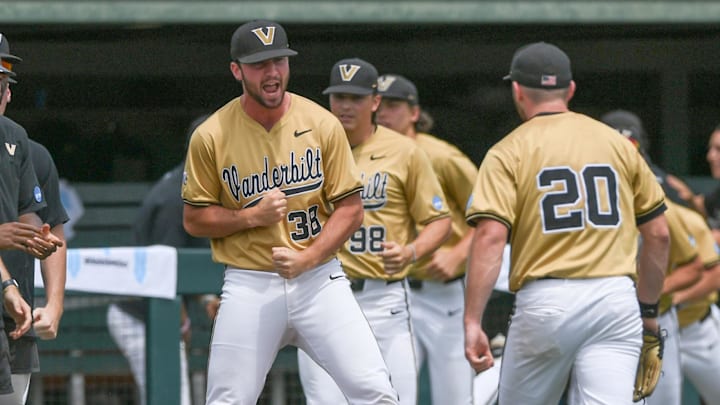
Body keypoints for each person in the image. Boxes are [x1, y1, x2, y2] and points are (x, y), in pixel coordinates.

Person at [181, 21, 398, 404]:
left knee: (375, 392)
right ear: (237, 70)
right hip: (250, 282)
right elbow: (194, 219)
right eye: (259, 64)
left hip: (319, 280)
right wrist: (249, 217)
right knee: (227, 399)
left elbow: (350, 209)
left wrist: (308, 257)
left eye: (279, 61)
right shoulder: (212, 134)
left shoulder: (321, 123)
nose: (272, 73)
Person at [464, 42, 670, 404]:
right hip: (614, 297)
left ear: (517, 91)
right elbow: (659, 235)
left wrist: (472, 320)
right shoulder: (619, 145)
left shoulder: (508, 149)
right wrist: (648, 313)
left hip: (547, 300)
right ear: (570, 89)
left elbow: (491, 239)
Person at [297, 58, 451, 405]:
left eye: (356, 97)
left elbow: (440, 221)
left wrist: (411, 252)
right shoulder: (307, 150)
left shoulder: (405, 151)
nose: (346, 106)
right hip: (322, 296)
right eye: (339, 97)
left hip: (384, 299)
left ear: (375, 102)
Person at [375, 73, 476, 404]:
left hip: (442, 294)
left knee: (456, 397)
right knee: (388, 394)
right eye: (379, 104)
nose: (384, 113)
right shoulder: (360, 155)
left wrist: (458, 254)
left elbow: (492, 218)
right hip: (390, 293)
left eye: (393, 105)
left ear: (414, 112)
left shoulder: (443, 157)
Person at [107, 114, 210, 405]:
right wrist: (183, 325)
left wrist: (204, 301)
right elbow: (163, 273)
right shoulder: (176, 198)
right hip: (140, 315)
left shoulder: (192, 183)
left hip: (154, 312)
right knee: (172, 400)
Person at [0, 34, 69, 405]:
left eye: (0, 83)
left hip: (15, 318)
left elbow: (49, 228)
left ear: (8, 92)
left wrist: (55, 304)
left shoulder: (26, 149)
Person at [670, 202, 720, 404]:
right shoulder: (622, 223)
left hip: (696, 328)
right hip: (649, 336)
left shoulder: (688, 220)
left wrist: (673, 301)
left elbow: (715, 275)